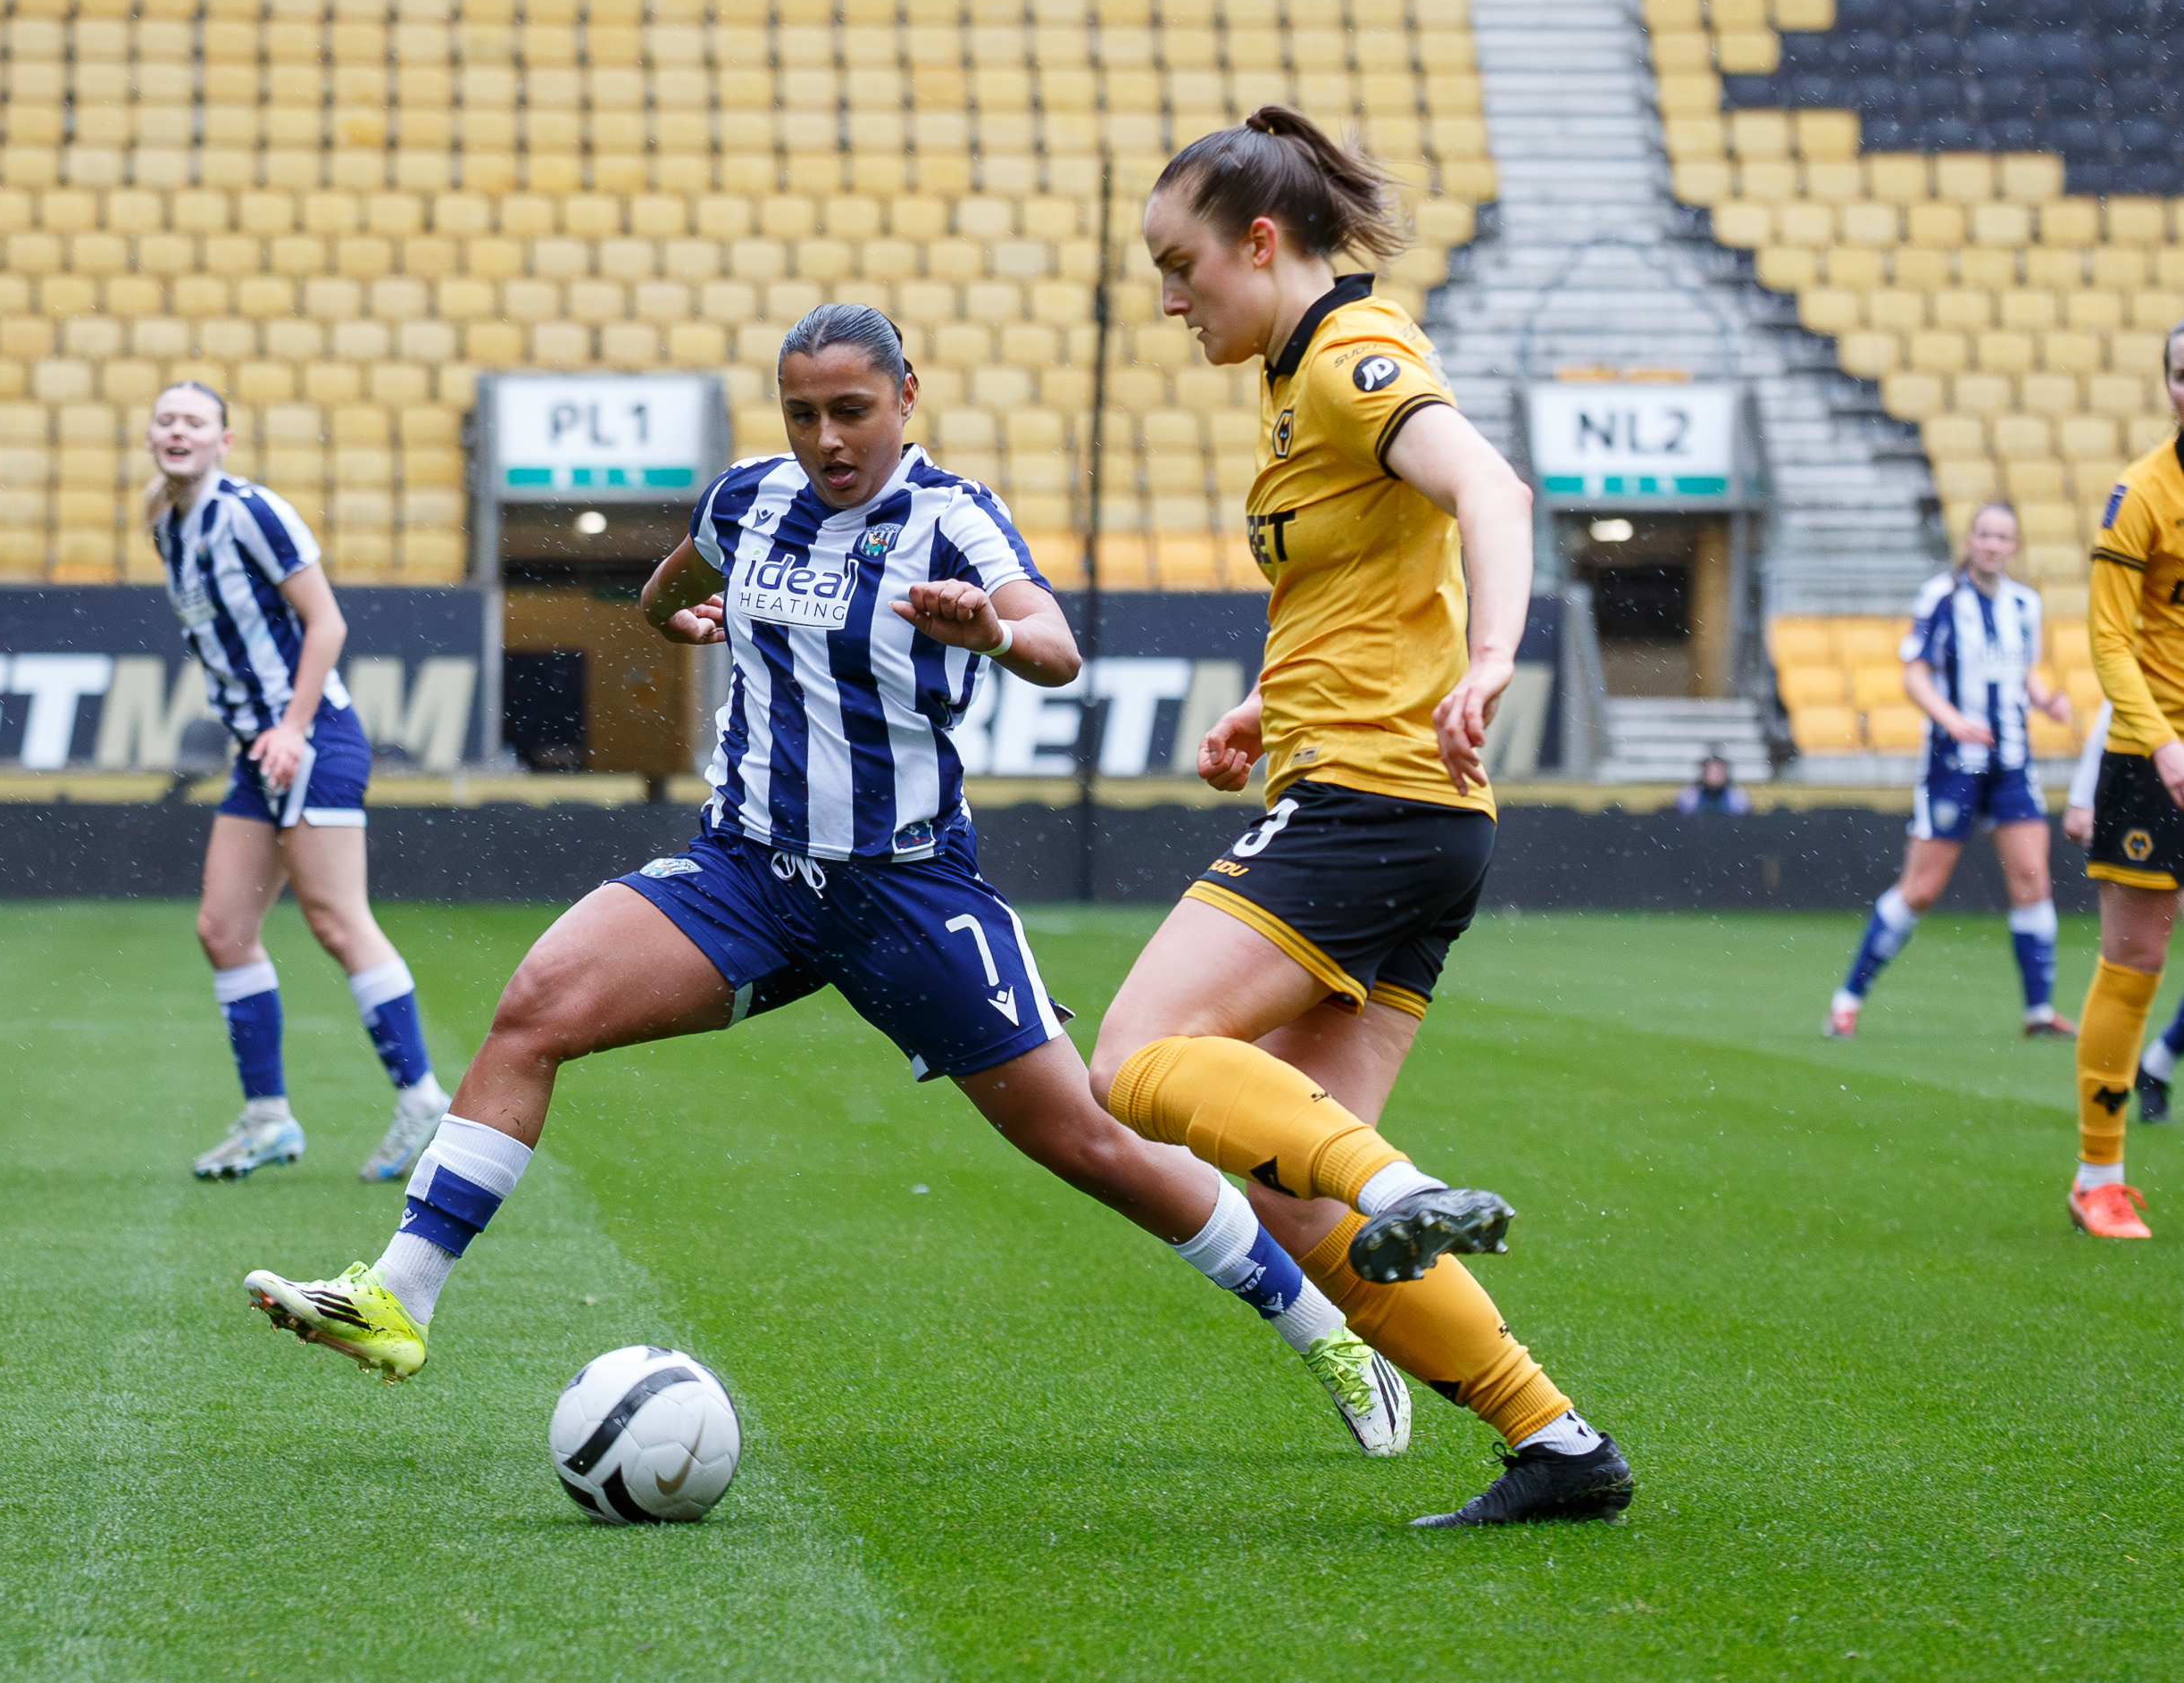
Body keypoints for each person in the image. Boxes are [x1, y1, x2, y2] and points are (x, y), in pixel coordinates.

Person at [239, 304, 1413, 1456]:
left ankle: (1326, 1326)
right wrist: (676, 614)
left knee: (1092, 1139)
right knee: (534, 1007)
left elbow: (1055, 645)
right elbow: (666, 582)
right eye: (803, 413)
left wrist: (992, 632)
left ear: (906, 399)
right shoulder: (747, 496)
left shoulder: (953, 518)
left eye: (851, 410)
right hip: (745, 871)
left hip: (904, 892)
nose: (827, 438)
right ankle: (398, 1299)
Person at [1081, 106, 1634, 1528]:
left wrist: (1501, 653)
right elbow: (1367, 578)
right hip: (1404, 808)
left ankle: (1401, 1176)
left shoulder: (1350, 356)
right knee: (1295, 1202)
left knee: (1137, 1057)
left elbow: (1485, 488)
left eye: (1181, 264)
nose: (1168, 298)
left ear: (1262, 243)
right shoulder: (1296, 376)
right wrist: (1272, 709)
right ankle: (1558, 1443)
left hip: (1376, 805)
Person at [141, 381, 451, 1184]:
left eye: (195, 421)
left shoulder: (251, 511)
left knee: (337, 919)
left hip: (311, 738)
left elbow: (328, 621)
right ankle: (268, 1116)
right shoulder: (165, 522)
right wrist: (262, 734)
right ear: (152, 435)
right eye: (167, 419)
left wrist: (290, 724)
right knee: (224, 929)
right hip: (260, 748)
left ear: (224, 439)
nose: (179, 431)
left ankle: (423, 1098)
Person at [1822, 503, 2076, 1041]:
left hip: (2011, 761)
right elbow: (1915, 675)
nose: (1991, 544)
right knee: (1921, 890)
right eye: (1983, 534)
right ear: (1970, 541)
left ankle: (2038, 1012)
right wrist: (1953, 720)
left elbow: (2022, 670)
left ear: (2014, 548)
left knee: (2033, 878)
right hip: (1952, 763)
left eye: (2002, 536)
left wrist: (2046, 700)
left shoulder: (2024, 606)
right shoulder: (1941, 598)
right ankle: (1848, 1000)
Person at [2065, 323, 2184, 1238]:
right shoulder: (2140, 495)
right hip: (2153, 761)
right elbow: (2107, 639)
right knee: (2135, 959)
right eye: (2181, 376)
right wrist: (2157, 742)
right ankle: (2095, 1176)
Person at [2060, 704, 2176, 1123]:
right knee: (2135, 961)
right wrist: (2081, 796)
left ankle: (2158, 1062)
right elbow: (2122, 689)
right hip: (2159, 780)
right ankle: (2099, 1167)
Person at [1675, 753, 1751, 815]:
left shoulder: (1737, 797)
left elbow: (1742, 820)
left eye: (1718, 772)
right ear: (1703, 773)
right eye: (1711, 772)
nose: (1715, 776)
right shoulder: (1688, 795)